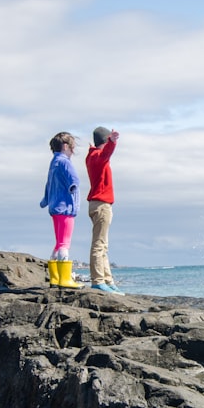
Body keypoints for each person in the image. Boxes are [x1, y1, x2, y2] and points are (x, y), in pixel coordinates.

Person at [40, 132, 82, 288]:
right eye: (72, 148)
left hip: (54, 207)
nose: (73, 151)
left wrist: (45, 200)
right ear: (65, 147)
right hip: (65, 208)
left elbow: (48, 184)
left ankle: (55, 278)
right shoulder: (65, 162)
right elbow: (74, 181)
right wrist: (73, 194)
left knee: (58, 243)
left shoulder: (54, 162)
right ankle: (65, 279)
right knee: (64, 243)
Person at [85, 126, 124, 295]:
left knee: (103, 245)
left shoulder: (91, 156)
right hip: (101, 205)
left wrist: (109, 142)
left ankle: (108, 280)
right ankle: (98, 281)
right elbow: (106, 153)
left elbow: (104, 153)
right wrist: (112, 142)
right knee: (99, 245)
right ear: (105, 139)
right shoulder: (98, 157)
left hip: (97, 204)